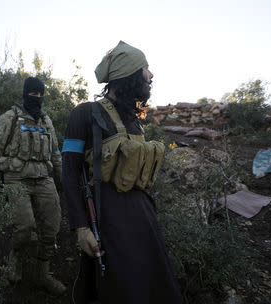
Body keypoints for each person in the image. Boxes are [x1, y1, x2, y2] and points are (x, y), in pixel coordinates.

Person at [62, 41, 184, 303]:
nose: (150, 76)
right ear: (128, 75)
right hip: (108, 223)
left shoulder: (135, 119)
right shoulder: (84, 114)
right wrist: (81, 227)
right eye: (145, 69)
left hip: (144, 221)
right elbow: (70, 172)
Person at [0, 77, 66, 295]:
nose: (38, 98)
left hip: (43, 178)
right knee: (25, 227)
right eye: (34, 94)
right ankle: (16, 261)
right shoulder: (10, 118)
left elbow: (55, 153)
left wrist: (64, 180)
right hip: (16, 178)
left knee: (52, 226)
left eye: (41, 95)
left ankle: (42, 274)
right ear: (25, 94)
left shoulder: (46, 121)